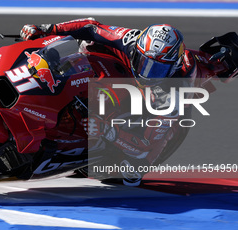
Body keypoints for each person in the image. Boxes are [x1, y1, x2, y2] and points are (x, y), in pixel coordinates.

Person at [18, 18, 226, 186]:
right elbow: (91, 26)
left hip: (155, 105)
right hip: (122, 71)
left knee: (132, 170)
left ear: (172, 67)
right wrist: (47, 29)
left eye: (156, 69)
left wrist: (107, 131)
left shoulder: (173, 94)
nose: (147, 72)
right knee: (88, 45)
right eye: (144, 62)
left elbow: (145, 146)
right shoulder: (131, 39)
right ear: (139, 48)